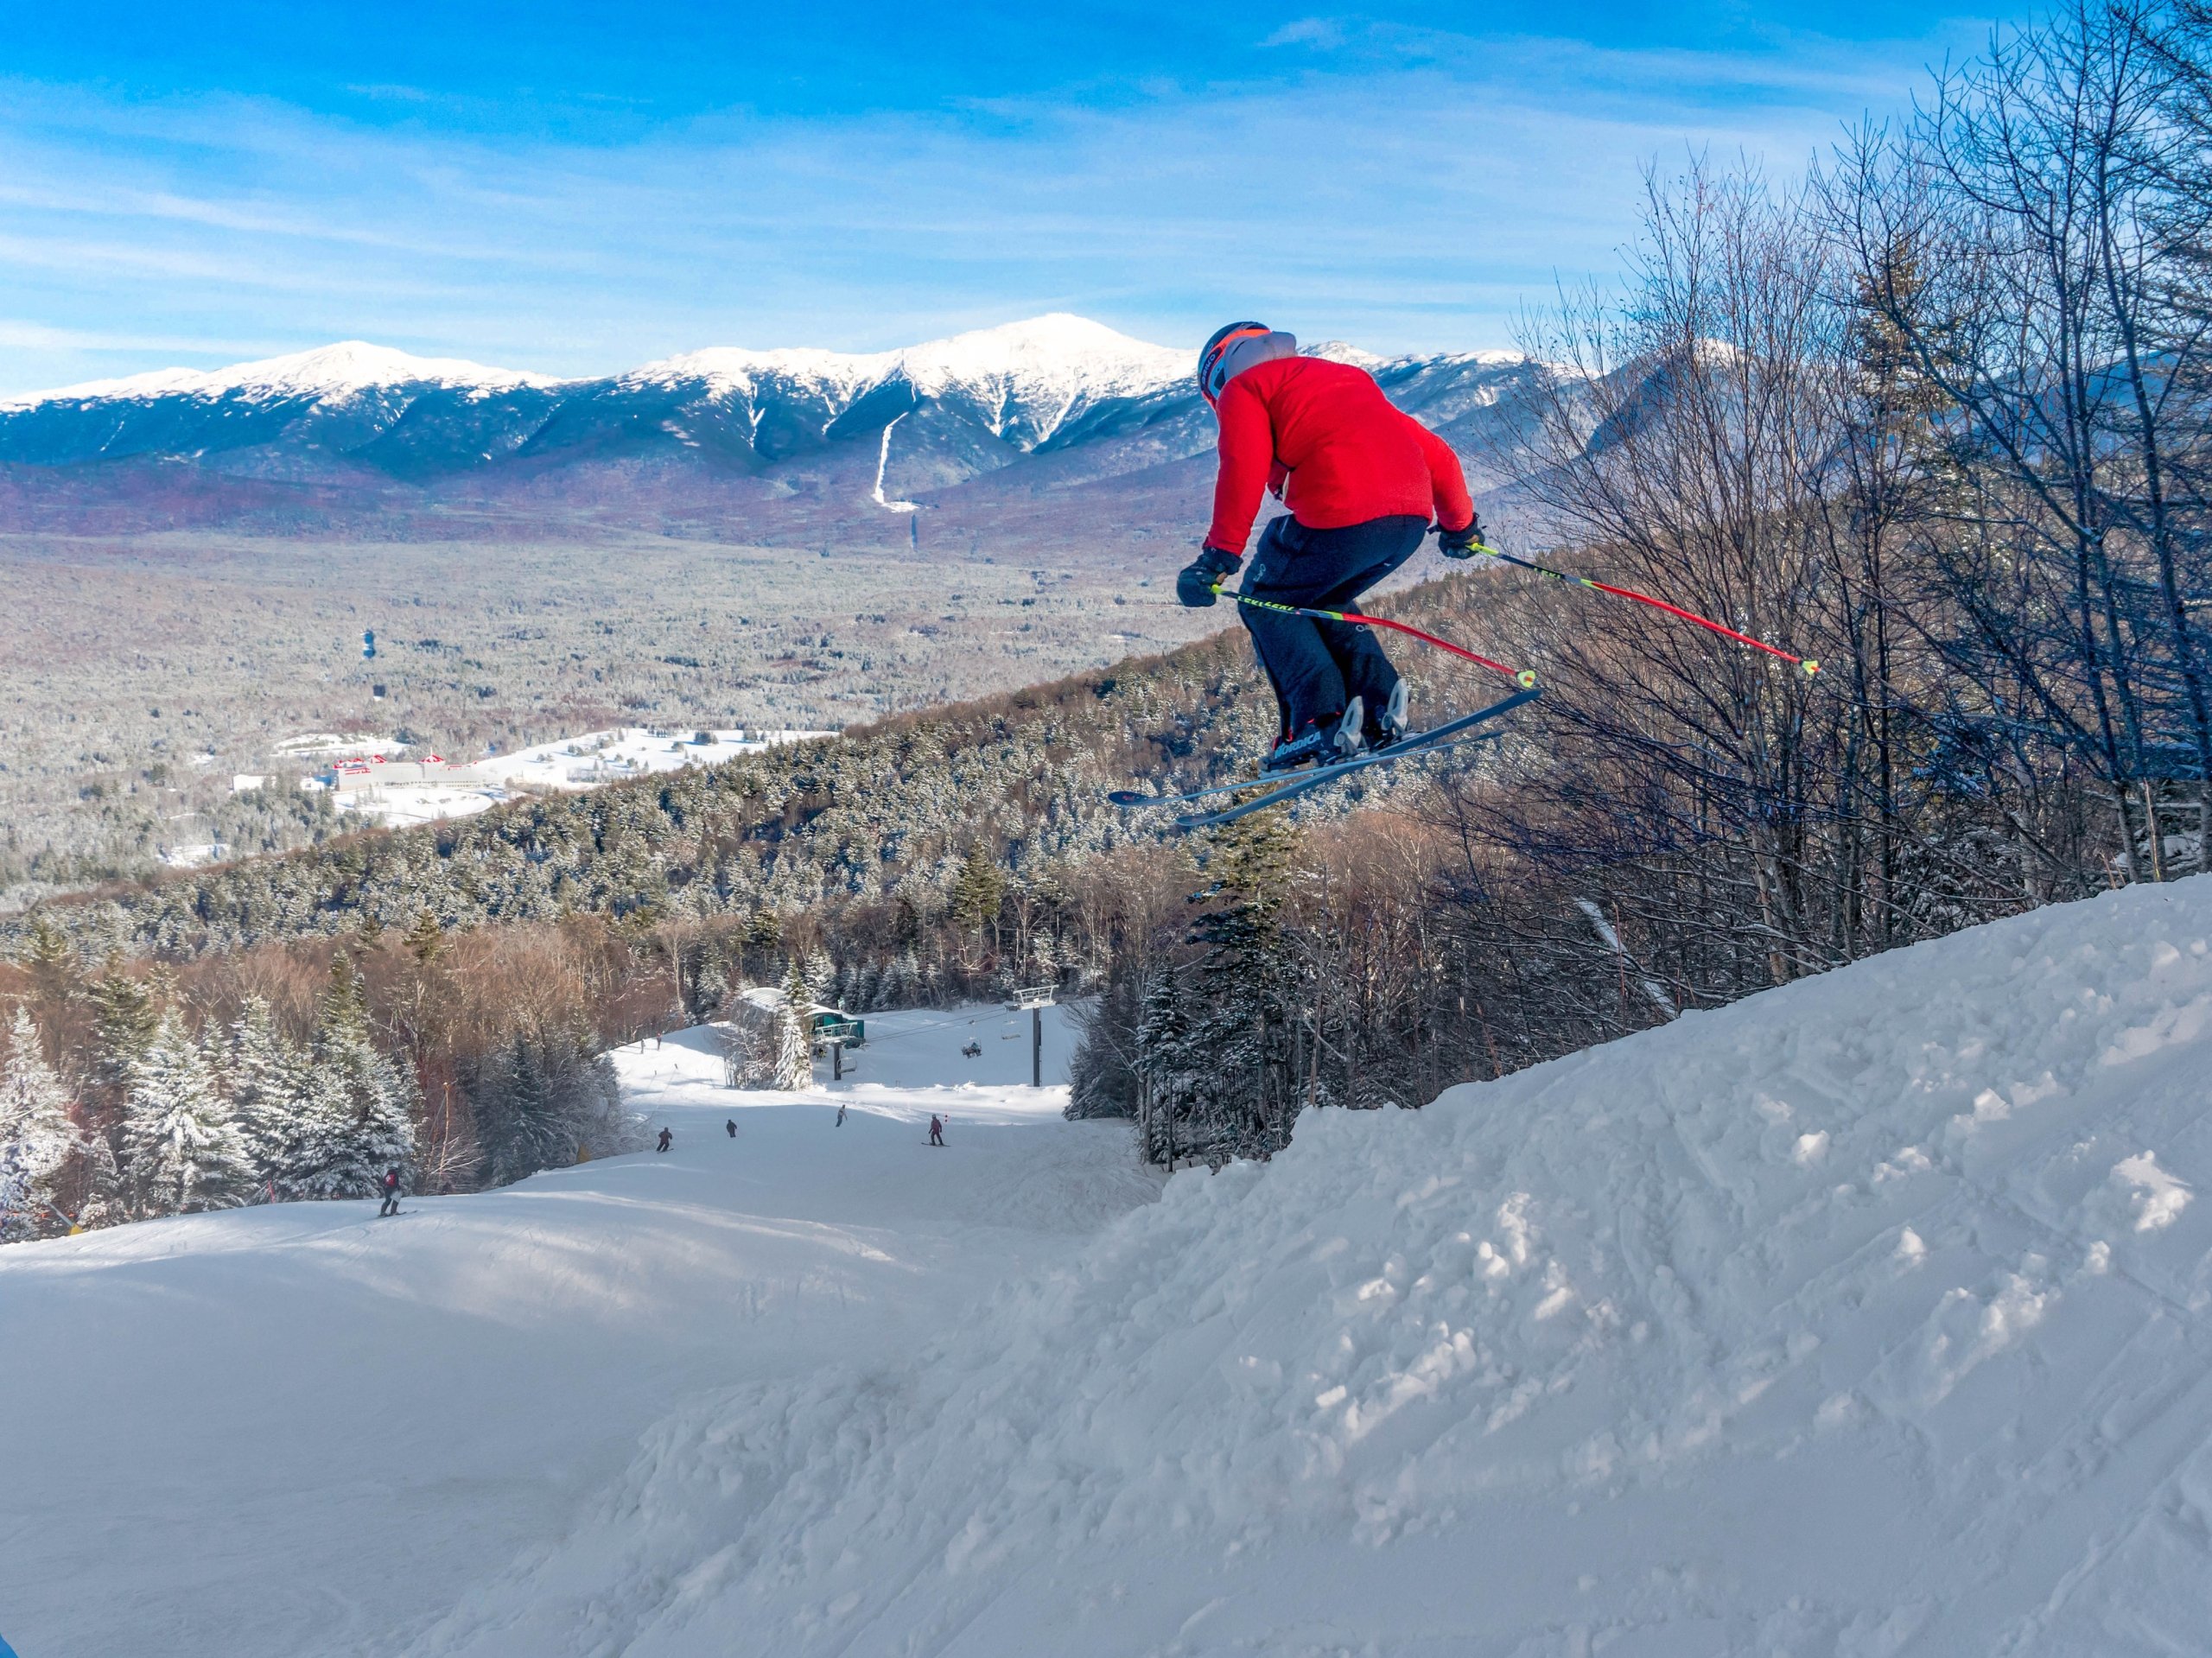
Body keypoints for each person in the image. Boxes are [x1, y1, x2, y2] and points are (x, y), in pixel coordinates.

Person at [1179, 321, 1483, 772]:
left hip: (1343, 514)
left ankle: (1316, 723)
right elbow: (1437, 455)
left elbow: (1242, 468)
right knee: (1324, 599)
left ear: (1219, 377)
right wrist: (1461, 527)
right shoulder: (1346, 378)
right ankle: (1378, 710)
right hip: (1409, 522)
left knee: (1265, 601)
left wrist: (1217, 558)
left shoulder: (1245, 389)